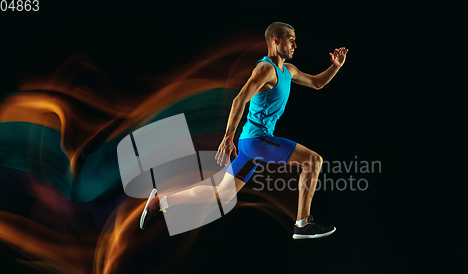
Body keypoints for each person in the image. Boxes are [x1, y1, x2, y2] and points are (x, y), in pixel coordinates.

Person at [142, 22, 348, 239]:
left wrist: (335, 66)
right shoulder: (265, 69)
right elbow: (240, 99)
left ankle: (160, 202)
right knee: (313, 161)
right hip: (256, 140)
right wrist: (228, 136)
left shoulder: (289, 71)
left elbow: (316, 83)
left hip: (251, 144)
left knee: (220, 195)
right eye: (290, 38)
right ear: (275, 41)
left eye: (295, 39)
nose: (295, 44)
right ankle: (302, 224)